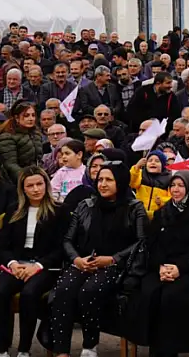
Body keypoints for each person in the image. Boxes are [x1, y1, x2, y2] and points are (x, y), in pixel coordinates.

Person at [51, 149, 148, 357]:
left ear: (120, 182)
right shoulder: (85, 205)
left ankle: (89, 345)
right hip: (84, 261)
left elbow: (141, 243)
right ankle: (61, 352)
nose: (102, 184)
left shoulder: (134, 207)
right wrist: (77, 259)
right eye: (100, 179)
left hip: (117, 264)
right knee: (64, 290)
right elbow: (67, 239)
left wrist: (113, 259)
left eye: (109, 180)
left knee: (89, 291)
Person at [125, 170, 189, 357]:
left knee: (173, 296)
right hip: (163, 268)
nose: (175, 190)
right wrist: (161, 266)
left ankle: (169, 350)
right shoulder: (163, 213)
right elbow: (153, 246)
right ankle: (156, 347)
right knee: (148, 292)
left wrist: (180, 268)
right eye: (172, 185)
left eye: (181, 186)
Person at [0, 167, 64, 357]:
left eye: (39, 184)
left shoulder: (58, 210)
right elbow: (1, 245)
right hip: (17, 265)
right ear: (23, 189)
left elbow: (61, 247)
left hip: (45, 266)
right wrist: (13, 263)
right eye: (30, 185)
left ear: (46, 185)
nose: (35, 189)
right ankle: (2, 349)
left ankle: (24, 349)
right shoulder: (14, 209)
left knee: (29, 294)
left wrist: (37, 266)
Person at [0, 101, 39, 184]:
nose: (31, 118)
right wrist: (25, 179)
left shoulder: (36, 134)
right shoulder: (7, 137)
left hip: (34, 177)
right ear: (17, 118)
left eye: (33, 115)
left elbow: (38, 159)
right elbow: (10, 164)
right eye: (26, 115)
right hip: (14, 181)